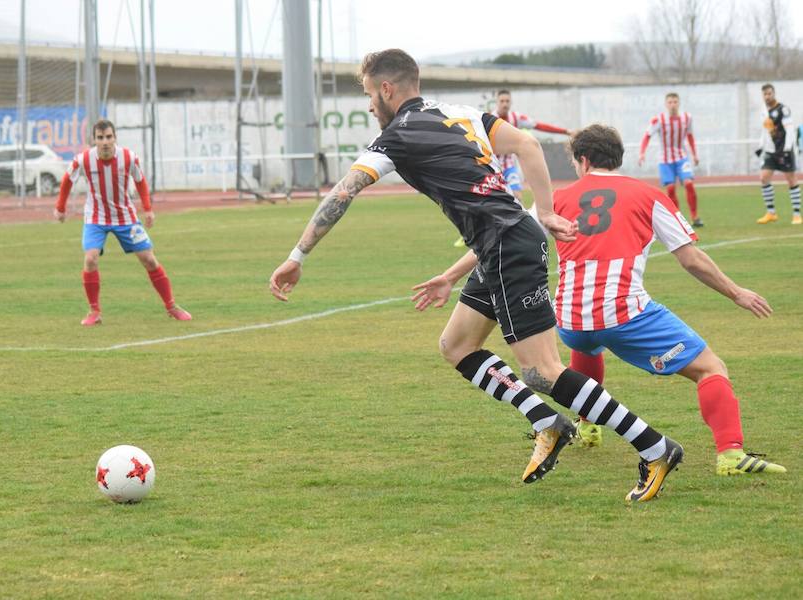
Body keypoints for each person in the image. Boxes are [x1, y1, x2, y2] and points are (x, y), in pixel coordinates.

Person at [269, 49, 683, 502]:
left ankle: (655, 447)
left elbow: (342, 194)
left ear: (387, 89)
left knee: (543, 372)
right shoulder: (460, 113)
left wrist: (297, 255)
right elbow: (527, 144)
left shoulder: (393, 138)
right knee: (456, 345)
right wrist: (543, 211)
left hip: (507, 248)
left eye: (370, 95)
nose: (370, 106)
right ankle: (547, 422)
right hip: (501, 244)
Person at [551, 124, 784, 475]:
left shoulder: (555, 199)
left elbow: (508, 238)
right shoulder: (647, 194)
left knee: (587, 343)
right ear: (618, 158)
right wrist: (737, 293)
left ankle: (588, 424)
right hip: (622, 316)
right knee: (710, 368)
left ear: (583, 160)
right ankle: (731, 455)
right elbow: (690, 258)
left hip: (568, 319)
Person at [54, 119, 192, 326]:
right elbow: (67, 181)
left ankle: (172, 306)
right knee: (90, 259)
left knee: (149, 259)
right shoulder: (83, 160)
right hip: (96, 217)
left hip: (125, 217)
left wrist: (148, 209)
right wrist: (60, 208)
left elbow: (140, 181)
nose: (105, 142)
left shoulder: (128, 157)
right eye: (100, 138)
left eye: (109, 137)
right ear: (94, 140)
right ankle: (94, 312)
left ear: (115, 138)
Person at [453, 90, 573, 247]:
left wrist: (565, 132)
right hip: (492, 167)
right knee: (481, 201)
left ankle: (518, 231)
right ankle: (471, 232)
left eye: (507, 101)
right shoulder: (486, 118)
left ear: (510, 102)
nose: (505, 104)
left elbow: (539, 125)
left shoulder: (516, 118)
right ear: (497, 102)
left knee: (517, 196)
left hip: (509, 166)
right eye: (502, 101)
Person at [638, 92, 703, 227]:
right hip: (665, 159)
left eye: (675, 102)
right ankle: (678, 219)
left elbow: (690, 136)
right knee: (671, 188)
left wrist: (695, 154)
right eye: (670, 102)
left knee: (689, 184)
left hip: (682, 157)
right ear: (666, 104)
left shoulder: (687, 118)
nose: (673, 105)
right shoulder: (659, 119)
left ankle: (695, 217)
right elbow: (647, 136)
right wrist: (642, 153)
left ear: (679, 103)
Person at [756, 83, 801, 225]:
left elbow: (790, 130)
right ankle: (771, 213)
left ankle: (797, 214)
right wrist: (761, 146)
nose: (767, 96)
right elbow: (765, 130)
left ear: (774, 94)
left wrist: (788, 148)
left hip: (784, 151)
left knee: (791, 180)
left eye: (769, 93)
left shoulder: (783, 110)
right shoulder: (763, 110)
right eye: (765, 94)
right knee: (764, 178)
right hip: (770, 151)